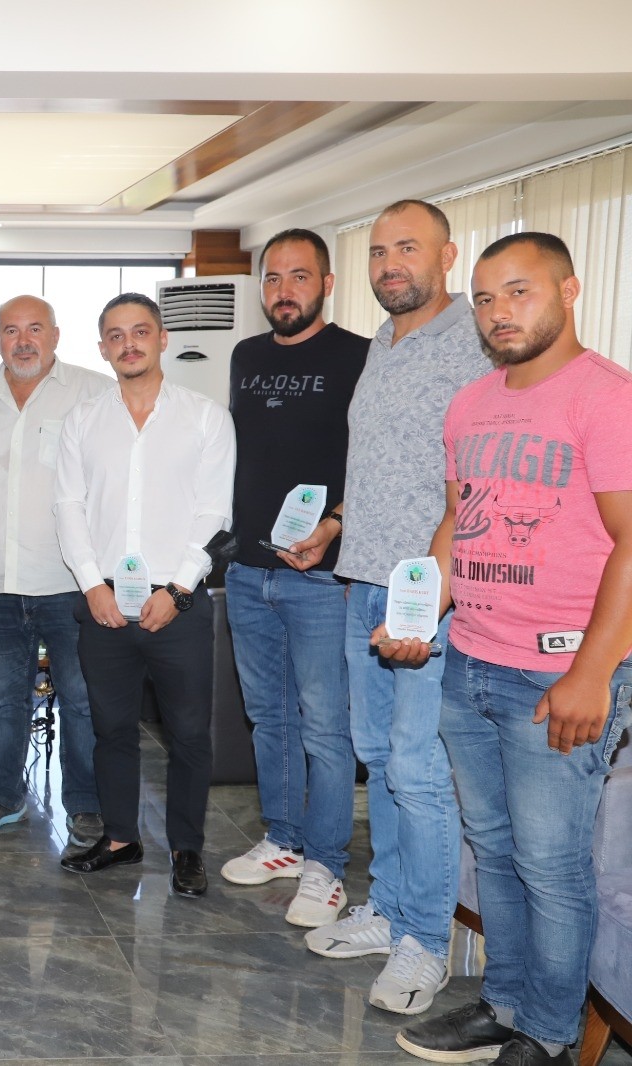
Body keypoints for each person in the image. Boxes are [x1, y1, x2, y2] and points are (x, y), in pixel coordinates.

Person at [386, 233, 632, 1066]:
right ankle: (506, 1002)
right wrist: (421, 616)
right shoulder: (471, 403)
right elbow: (459, 521)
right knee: (492, 849)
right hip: (471, 661)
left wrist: (592, 673)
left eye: (519, 292)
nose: (499, 313)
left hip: (557, 671)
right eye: (486, 299)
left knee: (551, 864)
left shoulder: (607, 399)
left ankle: (549, 1033)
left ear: (569, 290)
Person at [304, 200, 491, 1016]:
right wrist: (336, 525)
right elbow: (380, 464)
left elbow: (475, 485)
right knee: (377, 757)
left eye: (407, 249)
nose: (390, 265)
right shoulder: (381, 342)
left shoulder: (476, 344)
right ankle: (388, 908)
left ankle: (424, 941)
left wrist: (435, 591)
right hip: (362, 578)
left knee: (418, 768)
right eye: (379, 252)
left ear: (447, 255)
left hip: (429, 588)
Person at [54, 292, 235, 898]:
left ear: (161, 339)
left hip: (177, 602)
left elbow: (215, 512)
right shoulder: (82, 420)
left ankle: (186, 848)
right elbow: (68, 505)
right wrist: (91, 583)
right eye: (115, 335)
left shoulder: (206, 417)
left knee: (189, 734)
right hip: (103, 603)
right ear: (102, 348)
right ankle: (120, 838)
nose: (128, 343)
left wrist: (179, 589)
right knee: (110, 730)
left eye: (139, 331)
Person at [220, 229, 368, 928]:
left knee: (326, 729)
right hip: (250, 573)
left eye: (299, 277)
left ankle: (326, 867)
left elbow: (374, 464)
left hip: (320, 578)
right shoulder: (246, 356)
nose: (284, 291)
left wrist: (334, 523)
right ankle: (283, 839)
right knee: (269, 718)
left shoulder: (359, 356)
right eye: (273, 278)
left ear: (327, 284)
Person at [0, 295, 109, 844]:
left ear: (55, 335)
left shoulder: (94, 393)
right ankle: (2, 795)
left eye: (34, 329)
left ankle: (85, 805)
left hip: (71, 586)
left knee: (81, 702)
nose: (23, 341)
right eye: (11, 330)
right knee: (0, 700)